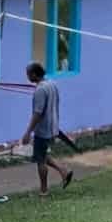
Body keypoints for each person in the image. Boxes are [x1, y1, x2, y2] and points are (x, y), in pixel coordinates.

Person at [21, 61, 73, 195]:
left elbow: (37, 113)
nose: (27, 77)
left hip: (43, 130)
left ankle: (44, 190)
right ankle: (64, 171)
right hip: (53, 127)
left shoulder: (40, 90)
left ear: (34, 74)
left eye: (28, 74)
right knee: (42, 155)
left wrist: (28, 132)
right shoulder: (52, 84)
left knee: (40, 160)